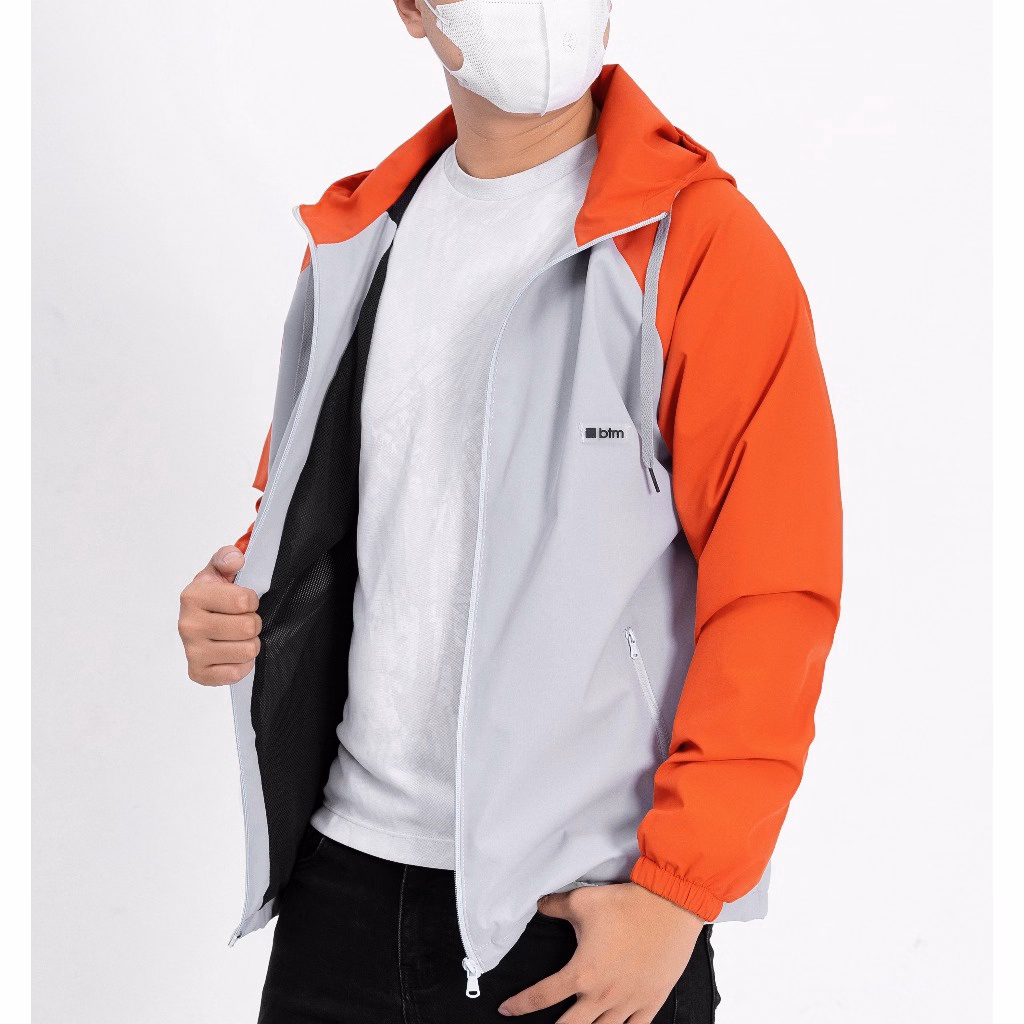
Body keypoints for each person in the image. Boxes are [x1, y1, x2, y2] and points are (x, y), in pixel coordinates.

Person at [177, 2, 843, 1021]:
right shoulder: (359, 242)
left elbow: (775, 591)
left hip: (582, 914)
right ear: (413, 8)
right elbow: (337, 517)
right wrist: (236, 595)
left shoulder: (698, 244)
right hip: (339, 887)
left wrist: (677, 892)